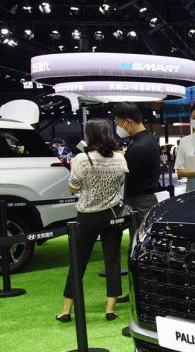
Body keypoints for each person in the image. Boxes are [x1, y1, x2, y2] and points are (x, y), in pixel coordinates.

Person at [56, 119, 128, 323]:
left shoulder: (81, 159)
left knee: (78, 262)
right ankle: (110, 309)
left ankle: (66, 310)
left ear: (89, 136)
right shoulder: (120, 159)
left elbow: (73, 187)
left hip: (87, 215)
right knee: (112, 260)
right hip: (113, 214)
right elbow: (121, 184)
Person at [113, 102, 161, 218]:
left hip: (139, 204)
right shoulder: (149, 138)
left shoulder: (139, 146)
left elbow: (127, 176)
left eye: (118, 123)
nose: (117, 127)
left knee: (139, 230)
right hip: (146, 199)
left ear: (128, 122)